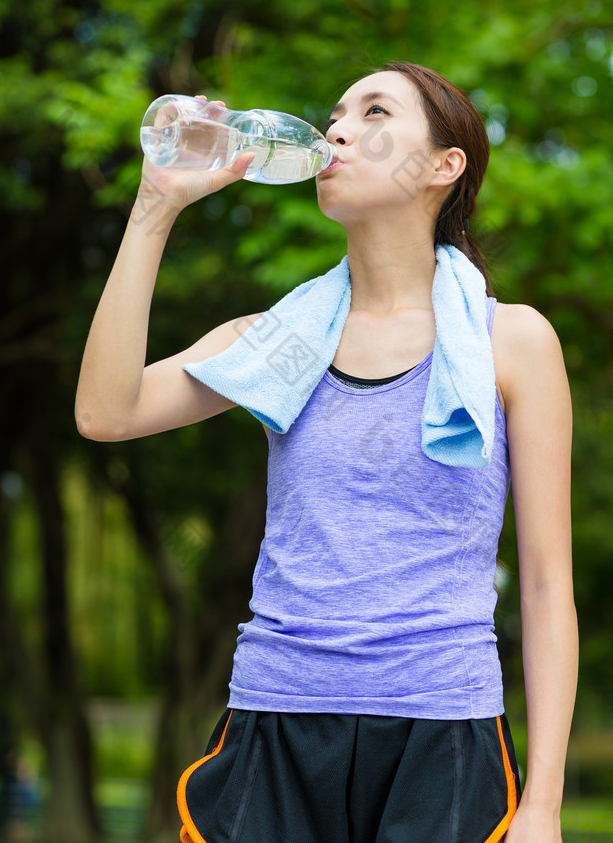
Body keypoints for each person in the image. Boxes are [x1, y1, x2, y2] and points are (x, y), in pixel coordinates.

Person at [75, 62, 578, 843]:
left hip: (440, 732)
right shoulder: (280, 341)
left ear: (444, 167)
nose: (337, 128)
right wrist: (155, 205)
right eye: (336, 111)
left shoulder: (509, 341)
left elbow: (547, 584)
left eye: (375, 112)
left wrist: (542, 805)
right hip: (277, 717)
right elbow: (107, 412)